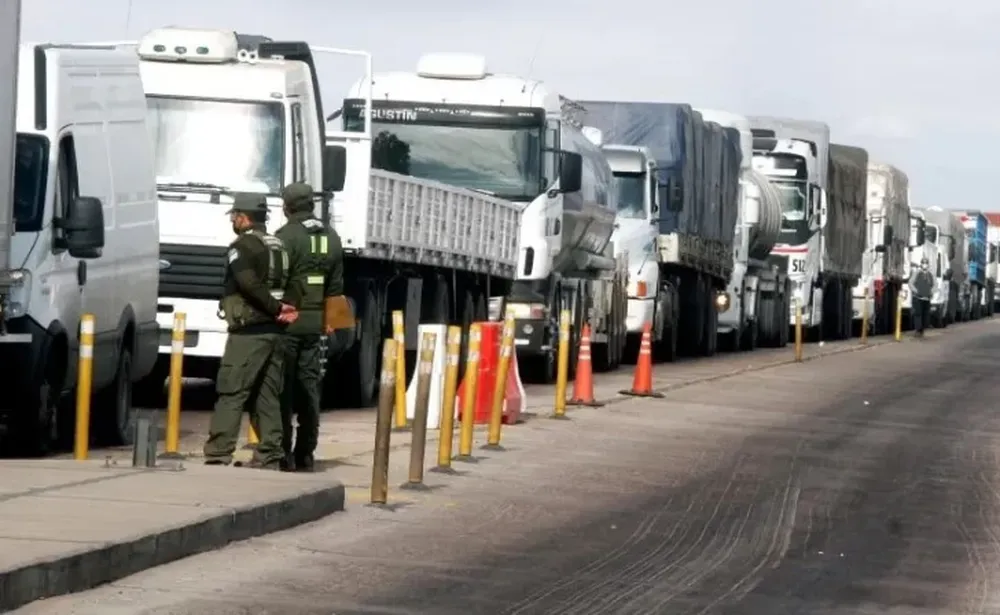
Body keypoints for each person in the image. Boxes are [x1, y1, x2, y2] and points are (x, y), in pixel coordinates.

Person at [203, 194, 298, 470]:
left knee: (231, 390)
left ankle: (219, 453)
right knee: (267, 395)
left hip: (249, 332)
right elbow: (293, 282)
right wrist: (286, 309)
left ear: (244, 217)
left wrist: (275, 307)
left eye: (234, 216)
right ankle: (270, 455)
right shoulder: (279, 245)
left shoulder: (242, 246)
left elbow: (247, 284)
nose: (233, 220)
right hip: (276, 333)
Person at [275, 182, 349, 472]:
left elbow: (277, 283)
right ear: (311, 204)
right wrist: (333, 323)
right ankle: (306, 452)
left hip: (289, 324)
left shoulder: (285, 236)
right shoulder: (331, 236)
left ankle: (284, 453)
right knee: (310, 389)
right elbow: (336, 286)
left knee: (283, 390)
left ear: (287, 206)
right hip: (317, 324)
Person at [909, 256, 934, 337]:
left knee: (925, 314)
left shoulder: (930, 275)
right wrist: (916, 291)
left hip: (926, 298)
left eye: (926, 263)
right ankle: (918, 330)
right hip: (918, 297)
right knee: (918, 313)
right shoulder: (917, 273)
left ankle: (922, 329)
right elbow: (911, 283)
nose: (924, 265)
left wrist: (931, 292)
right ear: (921, 264)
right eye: (923, 263)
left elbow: (934, 285)